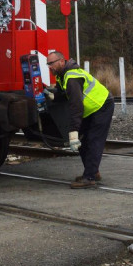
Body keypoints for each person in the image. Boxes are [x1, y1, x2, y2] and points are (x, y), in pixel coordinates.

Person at [45, 50, 114, 189]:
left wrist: (73, 131)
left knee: (93, 140)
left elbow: (76, 106)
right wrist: (54, 97)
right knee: (84, 140)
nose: (49, 67)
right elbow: (65, 94)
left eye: (51, 63)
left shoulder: (71, 78)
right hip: (91, 109)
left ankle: (89, 177)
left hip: (101, 106)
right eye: (48, 64)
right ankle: (93, 172)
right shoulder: (61, 75)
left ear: (61, 61)